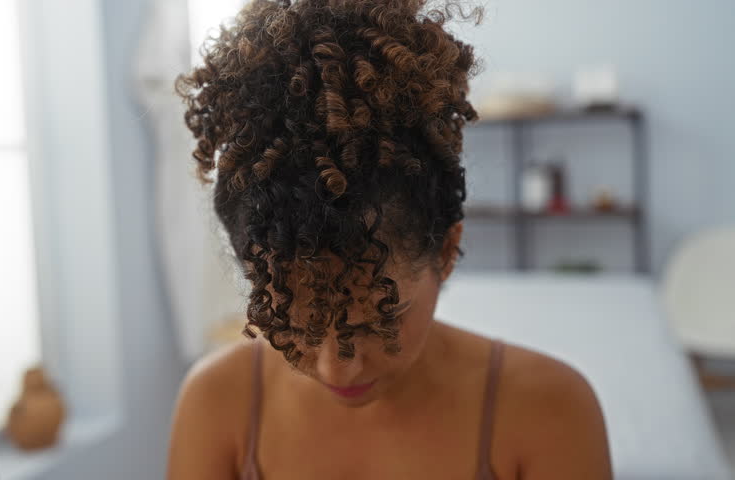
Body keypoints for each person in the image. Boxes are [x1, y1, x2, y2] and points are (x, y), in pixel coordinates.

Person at [168, 0, 612, 478]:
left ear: (445, 251)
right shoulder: (218, 405)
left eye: (375, 325)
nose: (335, 371)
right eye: (297, 329)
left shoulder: (546, 411)